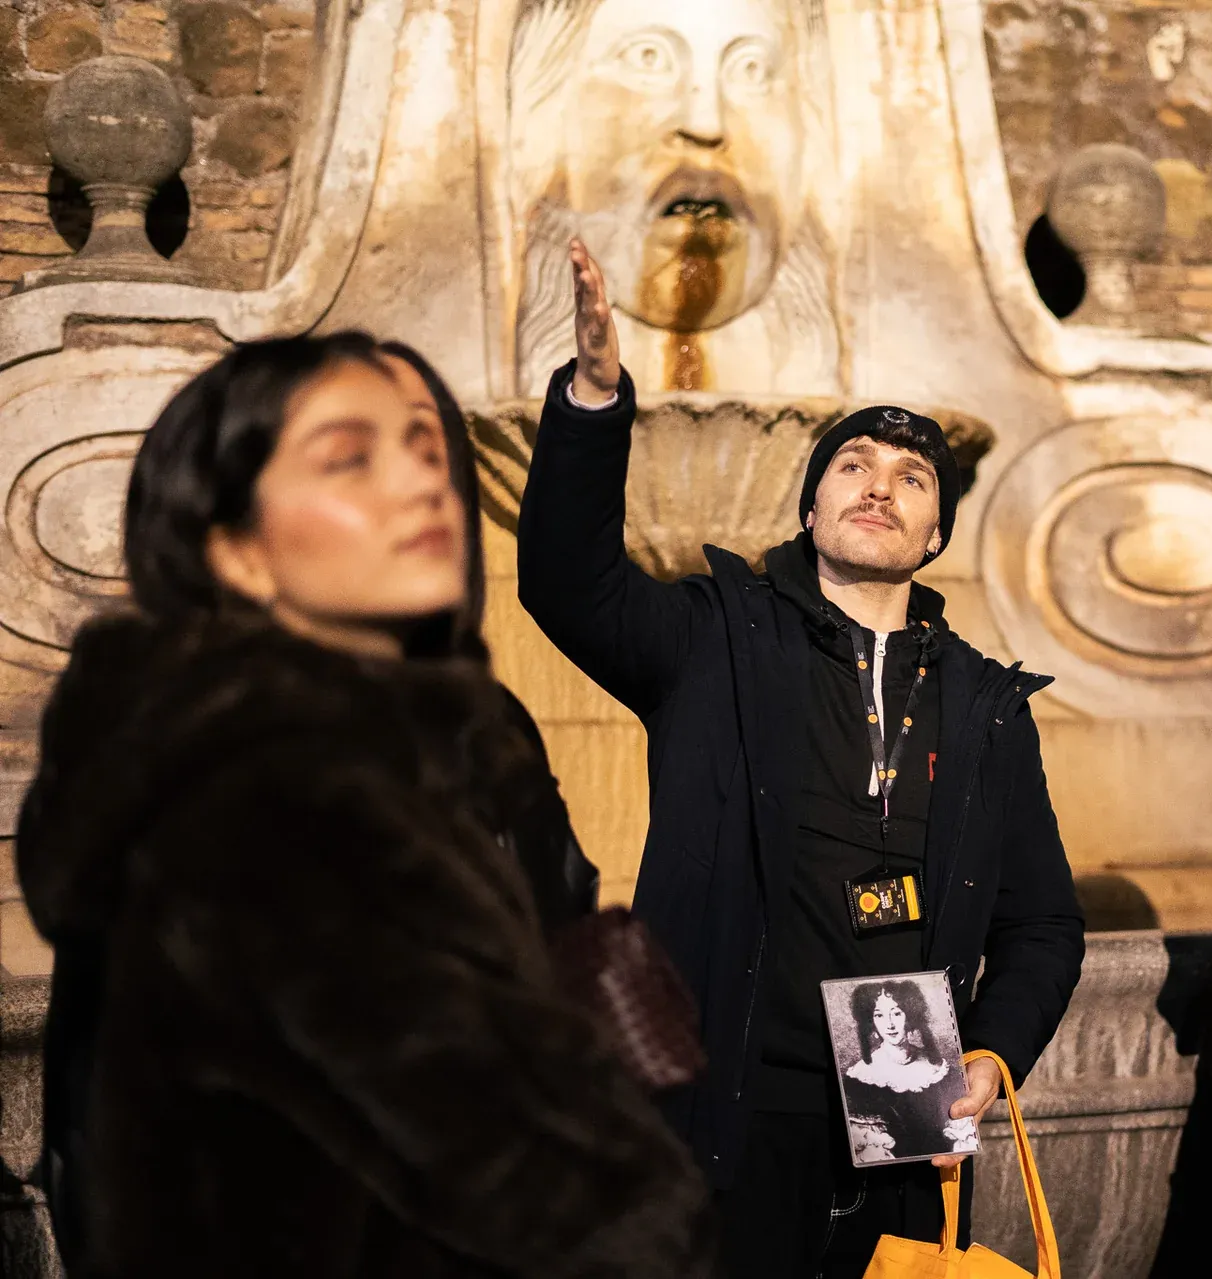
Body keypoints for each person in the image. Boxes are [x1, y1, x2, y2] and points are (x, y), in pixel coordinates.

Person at [17, 332, 714, 1277]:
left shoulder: (443, 742)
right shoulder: (277, 794)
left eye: (428, 449)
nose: (423, 483)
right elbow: (545, 1188)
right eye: (350, 457)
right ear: (237, 552)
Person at [516, 239, 1085, 1277]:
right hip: (724, 1103)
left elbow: (1043, 922)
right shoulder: (714, 637)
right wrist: (594, 400)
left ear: (934, 535)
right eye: (853, 467)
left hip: (903, 1104)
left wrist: (995, 1055)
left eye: (913, 479)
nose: (881, 487)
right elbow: (566, 582)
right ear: (810, 507)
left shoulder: (988, 705)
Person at [840, 980, 973, 1165]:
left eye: (896, 1013)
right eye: (879, 1015)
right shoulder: (859, 1080)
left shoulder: (940, 1071)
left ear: (910, 1015)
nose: (890, 1024)